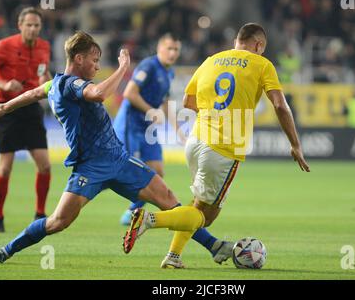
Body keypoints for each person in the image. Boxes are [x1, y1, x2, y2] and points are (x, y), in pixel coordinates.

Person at [0, 31, 229, 267]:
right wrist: (122, 68)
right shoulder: (72, 85)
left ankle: (214, 245)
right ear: (78, 59)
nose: (98, 66)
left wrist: (6, 106)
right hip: (91, 167)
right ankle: (5, 251)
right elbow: (98, 94)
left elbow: (33, 93)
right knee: (57, 222)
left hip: (119, 160)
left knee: (169, 200)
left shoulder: (53, 85)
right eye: (95, 60)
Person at [124, 23, 310, 268]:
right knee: (205, 216)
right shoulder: (262, 64)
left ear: (236, 41)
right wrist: (295, 144)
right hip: (223, 149)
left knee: (197, 204)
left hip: (196, 141)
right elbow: (279, 105)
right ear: (259, 45)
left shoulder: (212, 61)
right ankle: (149, 219)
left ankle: (173, 256)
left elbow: (188, 102)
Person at [0, 7, 52, 234]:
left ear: (40, 27)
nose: (32, 29)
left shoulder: (44, 47)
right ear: (20, 25)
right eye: (28, 24)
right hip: (7, 110)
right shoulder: (3, 46)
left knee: (45, 165)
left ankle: (40, 215)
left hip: (31, 108)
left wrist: (47, 80)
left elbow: (44, 74)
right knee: (5, 168)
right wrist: (4, 85)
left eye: (36, 25)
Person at [113, 33, 186, 226]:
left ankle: (131, 212)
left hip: (147, 128)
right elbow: (129, 93)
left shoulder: (169, 72)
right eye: (169, 48)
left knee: (158, 172)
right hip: (130, 124)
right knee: (122, 171)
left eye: (176, 49)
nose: (172, 53)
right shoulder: (149, 66)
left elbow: (166, 103)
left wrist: (179, 131)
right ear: (159, 48)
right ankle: (87, 188)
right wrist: (151, 111)